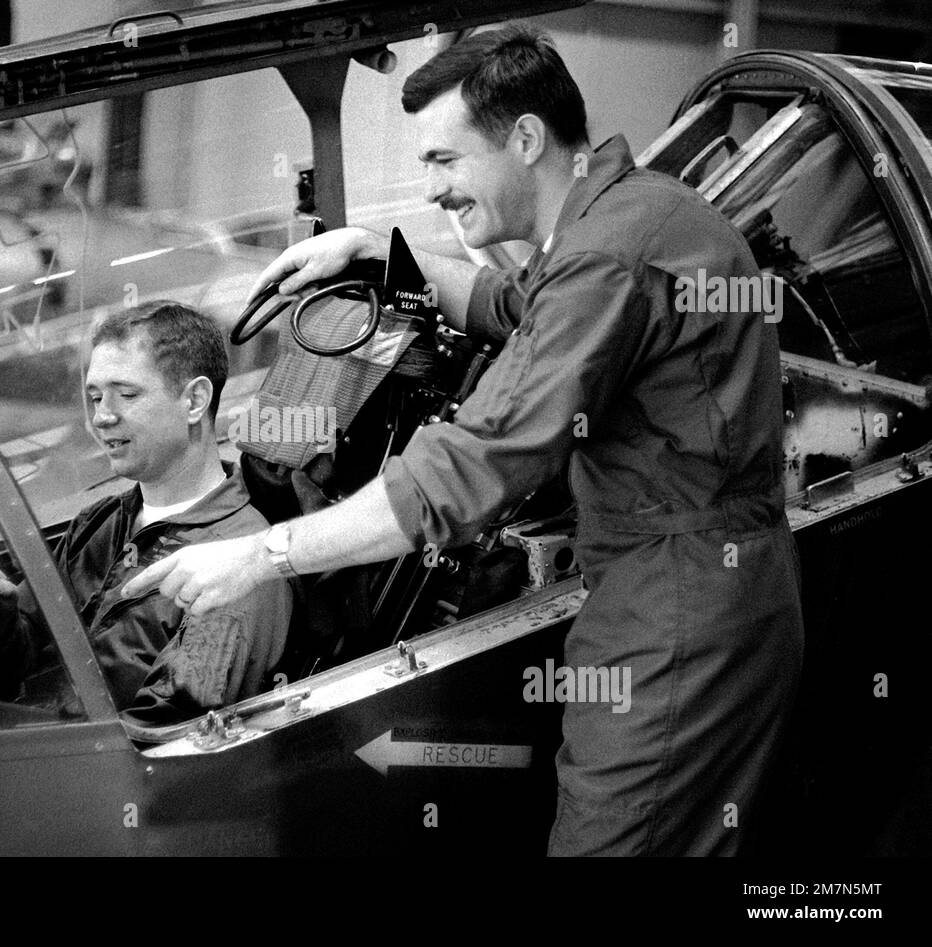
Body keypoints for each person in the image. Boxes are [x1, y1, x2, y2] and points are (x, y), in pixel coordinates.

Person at [124, 25, 804, 854]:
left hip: (674, 612)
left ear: (524, 137)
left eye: (445, 161)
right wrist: (378, 255)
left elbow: (470, 467)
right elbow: (511, 306)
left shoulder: (608, 257)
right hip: (701, 591)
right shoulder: (627, 216)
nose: (435, 189)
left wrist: (262, 556)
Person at [0, 301, 291, 726]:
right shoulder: (98, 523)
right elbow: (27, 654)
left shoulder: (238, 569)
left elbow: (161, 737)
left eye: (127, 394)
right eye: (94, 396)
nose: (101, 417)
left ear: (195, 400)